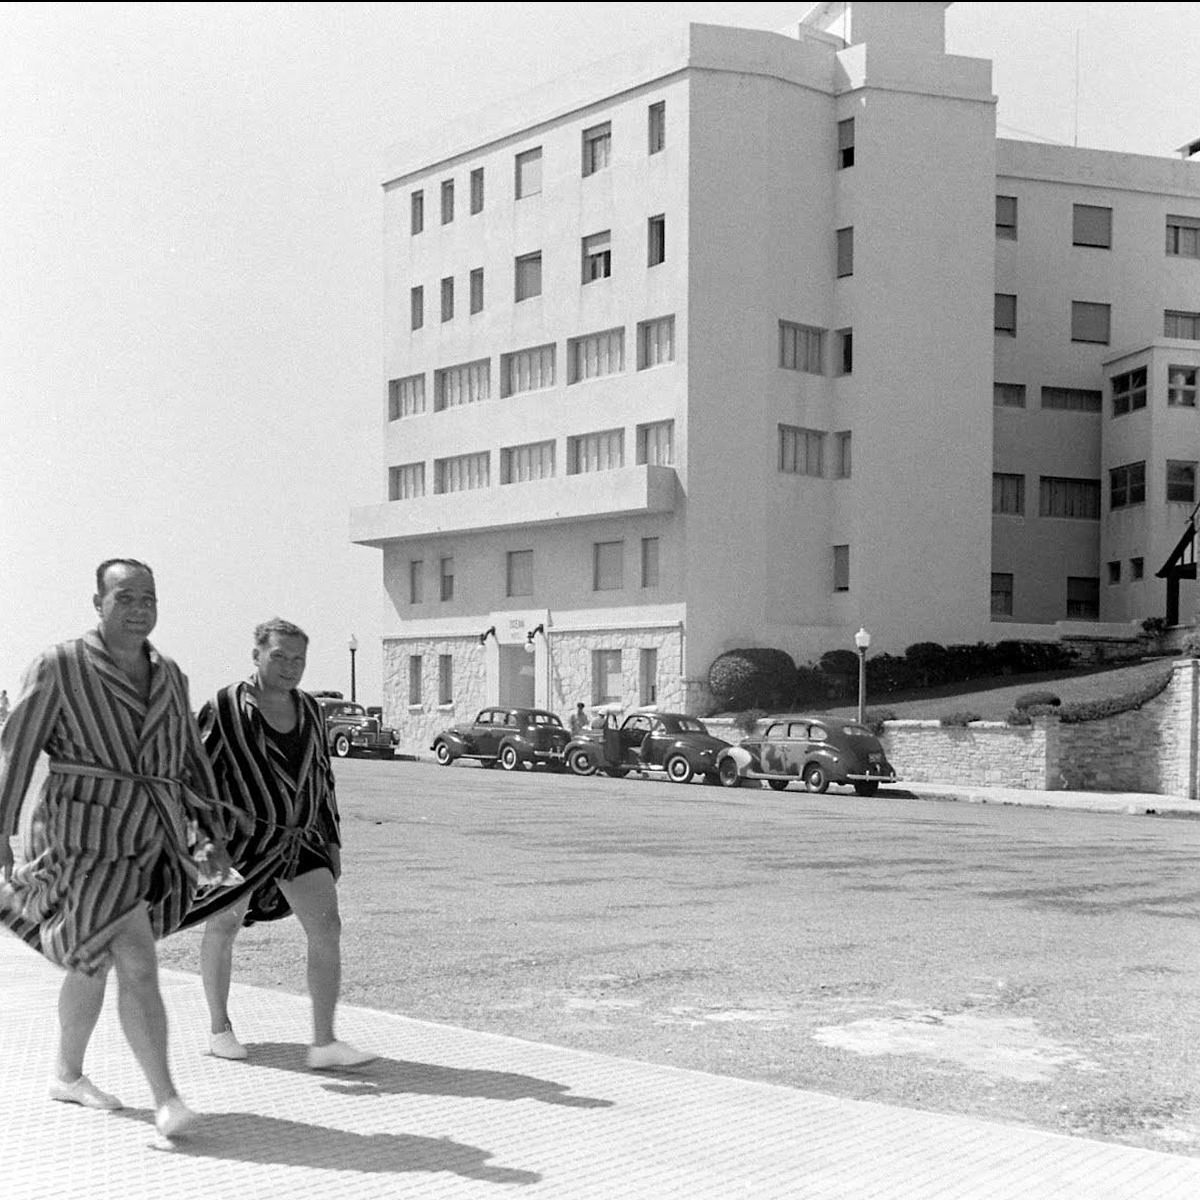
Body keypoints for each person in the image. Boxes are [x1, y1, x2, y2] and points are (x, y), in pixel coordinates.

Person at [0, 559, 232, 1140]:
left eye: (149, 597)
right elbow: (16, 753)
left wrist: (207, 833)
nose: (139, 608)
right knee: (136, 961)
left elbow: (188, 762)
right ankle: (167, 1098)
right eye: (125, 597)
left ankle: (66, 1072)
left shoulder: (170, 675)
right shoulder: (60, 666)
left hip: (147, 837)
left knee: (93, 958)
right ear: (97, 603)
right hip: (79, 839)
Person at [183, 617, 373, 1070]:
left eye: (298, 659)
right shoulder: (225, 705)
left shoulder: (309, 708)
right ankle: (219, 1028)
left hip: (300, 839)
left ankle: (324, 1042)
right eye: (279, 656)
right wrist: (205, 849)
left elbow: (323, 778)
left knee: (327, 928)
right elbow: (194, 777)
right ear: (257, 655)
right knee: (223, 927)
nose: (290, 667)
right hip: (241, 843)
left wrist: (332, 842)